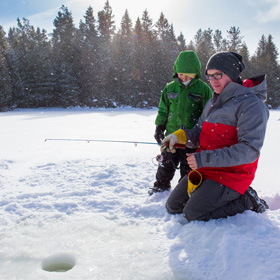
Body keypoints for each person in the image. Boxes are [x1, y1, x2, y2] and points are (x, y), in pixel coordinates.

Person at [163, 51, 269, 221]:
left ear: (232, 74)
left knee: (194, 213)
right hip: (207, 169)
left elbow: (249, 151)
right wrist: (180, 136)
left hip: (232, 175)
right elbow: (199, 131)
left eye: (218, 75)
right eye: (210, 76)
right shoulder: (213, 101)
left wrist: (204, 158)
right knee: (173, 206)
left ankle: (248, 200)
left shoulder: (251, 104)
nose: (213, 81)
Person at [149, 50, 213, 195]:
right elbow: (163, 109)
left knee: (188, 167)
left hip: (191, 139)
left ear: (195, 73)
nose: (183, 77)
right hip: (171, 136)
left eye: (187, 74)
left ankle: (183, 190)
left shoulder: (203, 90)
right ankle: (161, 186)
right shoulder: (170, 88)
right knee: (166, 163)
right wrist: (159, 127)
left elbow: (207, 114)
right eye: (180, 73)